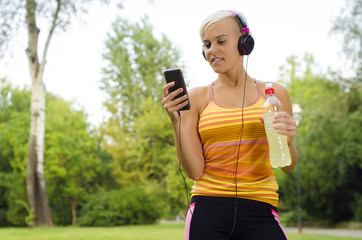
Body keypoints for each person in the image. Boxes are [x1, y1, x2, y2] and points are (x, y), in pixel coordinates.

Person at [161, 10, 297, 240]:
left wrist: (289, 140)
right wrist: (176, 123)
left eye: (221, 41)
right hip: (208, 208)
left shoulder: (274, 94)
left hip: (260, 206)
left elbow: (288, 166)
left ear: (244, 44)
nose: (211, 50)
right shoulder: (197, 98)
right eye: (206, 44)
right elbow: (195, 171)